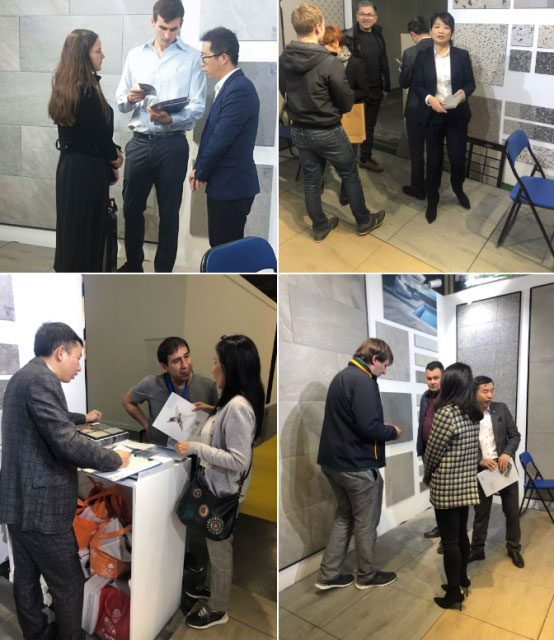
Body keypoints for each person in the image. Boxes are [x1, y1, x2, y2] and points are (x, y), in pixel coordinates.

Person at [0, 322, 131, 640]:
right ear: (61, 352)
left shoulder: (24, 376)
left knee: (26, 577)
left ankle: (36, 634)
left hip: (18, 502)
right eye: (78, 357)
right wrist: (115, 459)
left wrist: (82, 418)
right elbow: (66, 442)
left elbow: (48, 416)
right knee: (69, 582)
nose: (79, 366)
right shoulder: (42, 380)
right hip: (41, 509)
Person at [174, 335, 265, 630]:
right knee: (216, 544)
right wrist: (211, 410)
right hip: (218, 487)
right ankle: (214, 590)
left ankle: (217, 609)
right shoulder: (231, 404)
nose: (212, 368)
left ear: (230, 368)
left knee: (220, 548)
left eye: (216, 363)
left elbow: (238, 460)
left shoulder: (238, 407)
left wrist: (195, 447)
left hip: (223, 492)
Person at [279, 3, 385, 242]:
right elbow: (346, 102)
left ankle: (320, 227)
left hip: (299, 129)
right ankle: (364, 221)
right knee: (349, 173)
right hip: (327, 130)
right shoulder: (329, 62)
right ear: (318, 27)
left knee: (312, 179)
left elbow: (284, 91)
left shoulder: (284, 58)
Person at [116, 0, 206, 272]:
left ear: (181, 24)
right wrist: (130, 98)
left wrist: (170, 118)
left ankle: (163, 272)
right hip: (139, 143)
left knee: (169, 213)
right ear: (152, 22)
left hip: (172, 144)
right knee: (131, 208)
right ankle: (133, 265)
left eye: (174, 29)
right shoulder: (135, 55)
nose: (167, 35)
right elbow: (120, 102)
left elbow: (198, 106)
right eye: (163, 28)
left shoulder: (192, 57)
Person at [122, 336, 218, 574]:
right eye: (176, 361)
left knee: (187, 507)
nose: (185, 365)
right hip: (161, 455)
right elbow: (128, 401)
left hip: (193, 458)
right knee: (159, 506)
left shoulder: (206, 386)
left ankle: (184, 553)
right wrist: (147, 424)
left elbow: (218, 419)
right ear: (164, 366)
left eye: (187, 356)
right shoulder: (151, 384)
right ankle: (157, 552)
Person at [315, 339, 403, 591]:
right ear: (374, 359)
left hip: (333, 463)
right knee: (365, 522)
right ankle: (366, 575)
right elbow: (368, 427)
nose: (385, 371)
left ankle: (328, 575)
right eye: (385, 365)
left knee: (344, 517)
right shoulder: (363, 380)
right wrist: (392, 431)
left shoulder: (342, 376)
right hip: (356, 465)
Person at [48, 29, 124, 273]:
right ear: (83, 55)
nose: (103, 55)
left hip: (69, 167)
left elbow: (86, 132)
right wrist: (115, 158)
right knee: (87, 232)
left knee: (71, 230)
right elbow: (99, 136)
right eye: (98, 51)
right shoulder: (86, 90)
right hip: (88, 170)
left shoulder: (64, 85)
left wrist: (110, 152)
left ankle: (70, 275)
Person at [189, 27, 260, 248]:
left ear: (223, 58)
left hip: (232, 187)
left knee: (225, 250)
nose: (202, 63)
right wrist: (201, 169)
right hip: (224, 184)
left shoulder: (239, 90)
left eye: (205, 57)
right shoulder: (228, 87)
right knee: (220, 246)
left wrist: (200, 170)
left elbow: (221, 139)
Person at [423, 362, 483, 610]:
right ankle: (462, 578)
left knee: (449, 542)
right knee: (460, 535)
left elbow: (432, 452)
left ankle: (453, 594)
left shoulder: (446, 413)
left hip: (447, 487)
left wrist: (427, 474)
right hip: (466, 484)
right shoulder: (473, 412)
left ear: (450, 384)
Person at [412, 12, 476, 224]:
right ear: (430, 30)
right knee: (434, 160)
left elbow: (470, 83)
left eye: (446, 27)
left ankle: (458, 188)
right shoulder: (422, 56)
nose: (441, 31)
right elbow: (417, 86)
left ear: (452, 32)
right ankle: (433, 198)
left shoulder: (461, 55)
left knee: (458, 158)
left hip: (457, 114)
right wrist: (430, 99)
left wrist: (464, 93)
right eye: (437, 26)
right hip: (433, 115)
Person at [468, 376, 523, 567]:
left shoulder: (501, 409)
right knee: (481, 514)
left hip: (503, 468)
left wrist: (507, 453)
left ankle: (514, 548)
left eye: (492, 390)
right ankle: (477, 550)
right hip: (483, 471)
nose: (490, 395)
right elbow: (463, 446)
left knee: (512, 512)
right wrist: (479, 460)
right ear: (474, 392)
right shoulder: (467, 414)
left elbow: (514, 436)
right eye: (485, 391)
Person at [322, 25, 369, 206]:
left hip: (349, 114)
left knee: (349, 158)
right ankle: (321, 182)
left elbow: (364, 90)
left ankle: (346, 190)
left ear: (338, 43)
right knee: (325, 154)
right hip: (328, 116)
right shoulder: (324, 62)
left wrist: (344, 96)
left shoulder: (354, 63)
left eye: (325, 43)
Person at [345, 1, 390, 173]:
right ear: (357, 16)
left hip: (375, 90)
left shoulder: (379, 36)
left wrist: (385, 86)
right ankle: (348, 167)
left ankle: (365, 158)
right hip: (356, 92)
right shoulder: (348, 37)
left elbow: (384, 62)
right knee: (352, 129)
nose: (366, 17)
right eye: (362, 14)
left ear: (375, 18)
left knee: (369, 128)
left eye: (369, 14)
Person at [399, 16, 433, 200]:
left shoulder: (410, 53)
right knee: (434, 149)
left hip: (416, 108)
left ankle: (418, 188)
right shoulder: (443, 49)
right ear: (430, 30)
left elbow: (404, 83)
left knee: (417, 151)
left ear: (413, 34)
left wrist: (403, 72)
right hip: (437, 108)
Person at [416, 360, 444, 543]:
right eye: (429, 378)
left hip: (444, 453)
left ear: (443, 377)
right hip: (427, 450)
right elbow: (423, 422)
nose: (432, 382)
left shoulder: (449, 398)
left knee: (446, 496)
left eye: (436, 378)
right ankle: (441, 528)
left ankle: (448, 538)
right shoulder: (426, 397)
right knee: (435, 493)